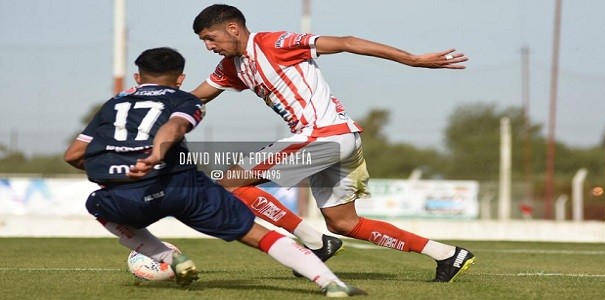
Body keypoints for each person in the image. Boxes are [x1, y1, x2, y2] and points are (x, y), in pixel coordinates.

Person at [189, 4, 475, 282]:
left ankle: (314, 243)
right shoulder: (231, 67)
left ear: (233, 28)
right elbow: (196, 96)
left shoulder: (274, 42)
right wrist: (153, 100)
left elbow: (347, 42)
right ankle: (447, 254)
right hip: (339, 138)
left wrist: (413, 59)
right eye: (204, 41)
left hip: (322, 135)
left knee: (231, 183)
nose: (209, 47)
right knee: (343, 223)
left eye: (210, 38)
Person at [63, 47, 367, 297]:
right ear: (180, 78)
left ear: (137, 77)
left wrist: (118, 169)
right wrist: (156, 154)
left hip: (126, 194)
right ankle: (331, 284)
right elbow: (175, 125)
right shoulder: (185, 99)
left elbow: (74, 155)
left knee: (98, 204)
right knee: (257, 235)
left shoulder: (113, 103)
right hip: (183, 188)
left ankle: (168, 257)